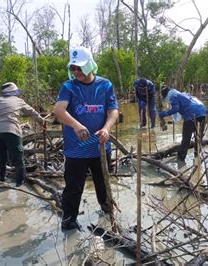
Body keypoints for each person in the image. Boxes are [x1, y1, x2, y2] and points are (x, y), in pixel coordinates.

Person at [52, 46, 119, 231]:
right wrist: (76, 125)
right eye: (73, 68)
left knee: (104, 186)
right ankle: (69, 224)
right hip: (76, 149)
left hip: (100, 147)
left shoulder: (105, 85)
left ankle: (108, 217)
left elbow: (113, 111)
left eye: (80, 68)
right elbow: (59, 110)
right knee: (73, 189)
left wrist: (106, 129)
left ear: (90, 65)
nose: (76, 72)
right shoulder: (69, 87)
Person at [0, 82, 45, 187]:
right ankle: (20, 183)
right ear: (14, 92)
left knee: (0, 157)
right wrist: (42, 121)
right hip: (11, 130)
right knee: (18, 157)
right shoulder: (19, 101)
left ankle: (1, 180)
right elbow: (32, 112)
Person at [159, 86, 207, 162]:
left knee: (186, 139)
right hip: (202, 111)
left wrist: (165, 113)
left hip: (191, 114)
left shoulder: (173, 96)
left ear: (166, 95)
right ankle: (197, 155)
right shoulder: (183, 94)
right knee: (199, 136)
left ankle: (181, 159)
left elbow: (176, 108)